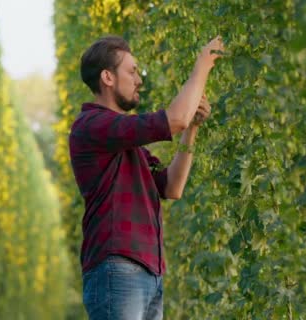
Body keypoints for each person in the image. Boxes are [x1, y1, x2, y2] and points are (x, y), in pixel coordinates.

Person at [68, 35, 224, 320]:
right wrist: (203, 65)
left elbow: (172, 186)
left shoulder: (129, 148)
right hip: (118, 267)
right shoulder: (91, 125)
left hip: (149, 272)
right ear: (107, 77)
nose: (139, 80)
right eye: (132, 71)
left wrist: (192, 129)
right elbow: (174, 119)